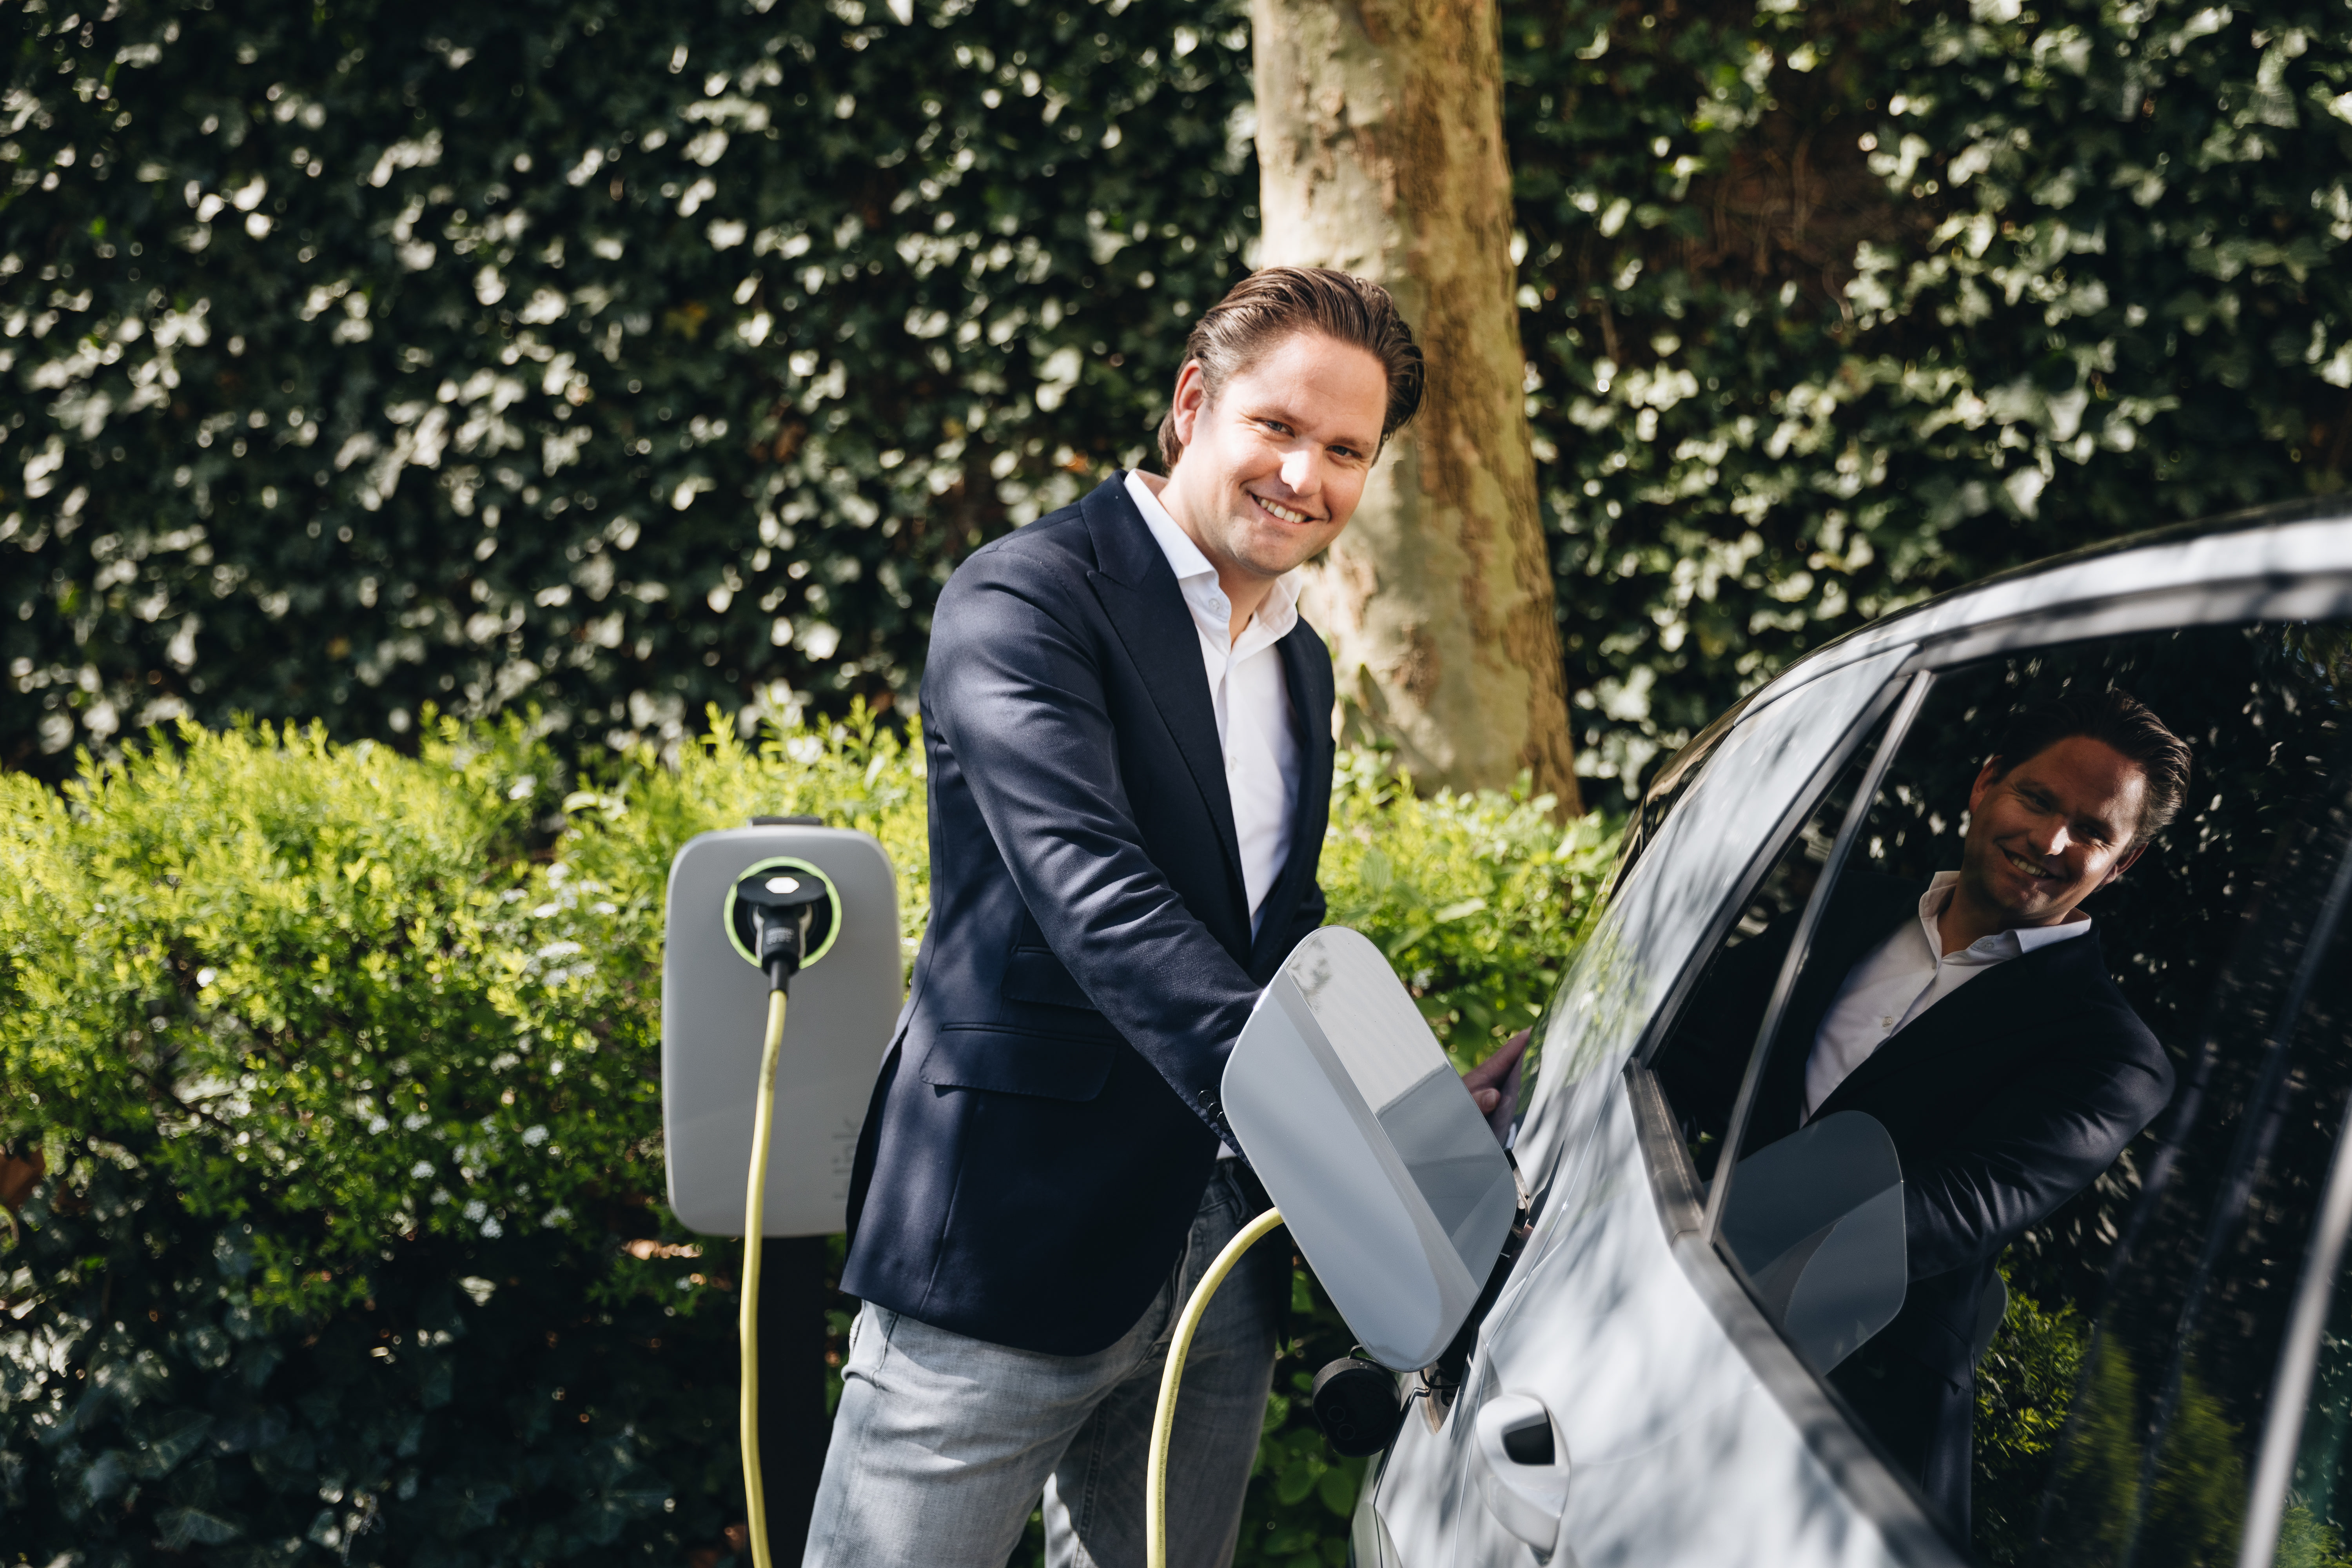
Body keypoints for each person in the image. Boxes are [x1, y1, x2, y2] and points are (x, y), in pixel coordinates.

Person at [805, 267, 1519, 1568]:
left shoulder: (1300, 662)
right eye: (1279, 428)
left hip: (1215, 1261)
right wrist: (1333, 1132)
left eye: (1346, 451)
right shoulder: (1024, 599)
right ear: (1195, 404)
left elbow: (1282, 935)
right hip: (1004, 1244)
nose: (1306, 475)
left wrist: (1408, 1102)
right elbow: (1096, 894)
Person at [1657, 688, 2187, 1532]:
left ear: (2122, 863)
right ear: (1984, 786)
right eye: (2038, 799)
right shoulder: (1845, 908)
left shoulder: (2116, 1056)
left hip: (1853, 1427)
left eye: (2093, 831)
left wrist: (1703, 1285)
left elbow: (1959, 1206)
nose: (2051, 841)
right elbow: (1683, 1061)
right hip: (1656, 1327)